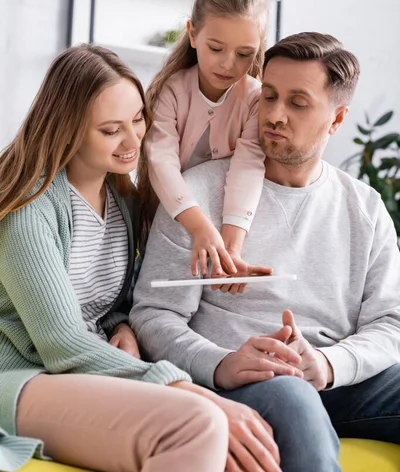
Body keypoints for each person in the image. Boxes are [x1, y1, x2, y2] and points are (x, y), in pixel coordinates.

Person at [0, 44, 282, 472]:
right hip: (23, 377)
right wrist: (186, 387)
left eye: (137, 120)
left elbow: (106, 305)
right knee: (199, 418)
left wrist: (125, 327)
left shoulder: (123, 200)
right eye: (111, 130)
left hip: (81, 374)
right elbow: (61, 341)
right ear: (68, 129)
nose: (135, 140)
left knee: (209, 431)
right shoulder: (29, 207)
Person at [130, 32, 400, 472]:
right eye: (269, 96)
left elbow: (391, 322)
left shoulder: (365, 207)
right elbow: (153, 314)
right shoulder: (197, 196)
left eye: (298, 102)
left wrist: (329, 364)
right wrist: (222, 363)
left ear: (336, 119)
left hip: (336, 380)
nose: (274, 115)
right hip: (243, 382)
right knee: (291, 394)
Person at [144, 0, 272, 281]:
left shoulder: (255, 97)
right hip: (165, 216)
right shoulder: (171, 90)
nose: (228, 65)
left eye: (245, 54)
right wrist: (199, 227)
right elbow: (161, 161)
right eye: (215, 48)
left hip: (223, 220)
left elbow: (248, 167)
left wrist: (231, 247)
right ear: (192, 34)